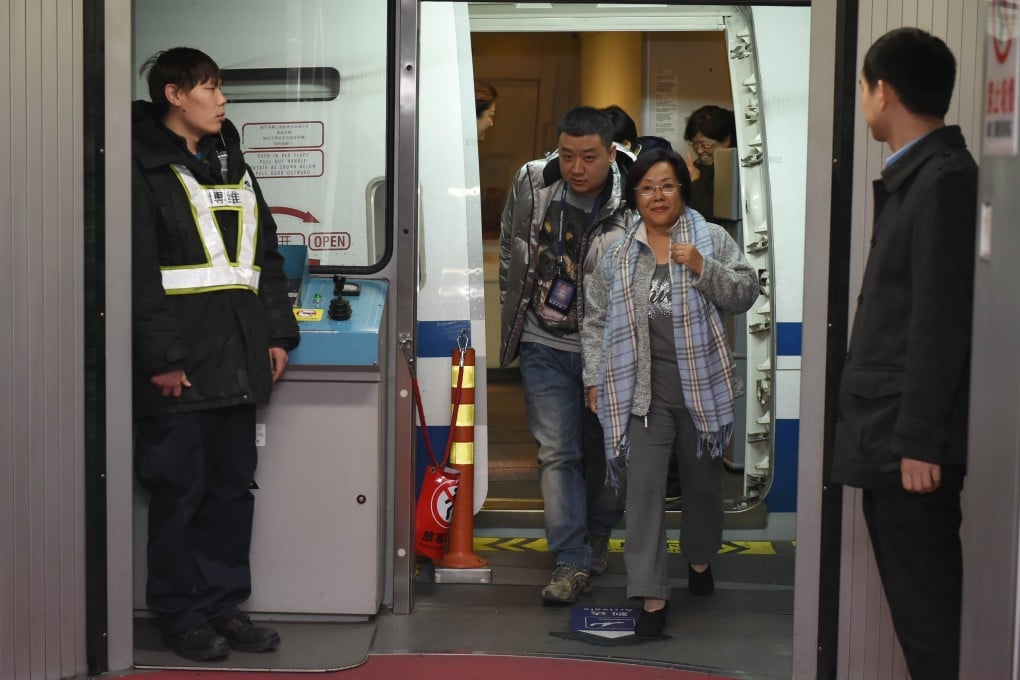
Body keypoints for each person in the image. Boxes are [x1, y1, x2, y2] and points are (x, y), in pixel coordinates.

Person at [132, 47, 300, 662]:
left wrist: (278, 336)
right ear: (175, 95)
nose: (222, 98)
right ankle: (179, 615)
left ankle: (224, 607)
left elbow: (267, 258)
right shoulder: (140, 166)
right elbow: (134, 277)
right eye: (211, 87)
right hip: (177, 366)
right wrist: (161, 358)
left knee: (230, 493)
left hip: (237, 358)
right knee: (179, 492)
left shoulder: (234, 164)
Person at [831, 28, 976, 680]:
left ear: (881, 92)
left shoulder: (942, 181)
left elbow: (940, 321)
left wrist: (919, 438)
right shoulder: (917, 176)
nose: (864, 100)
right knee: (917, 605)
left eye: (864, 88)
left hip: (907, 442)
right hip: (890, 432)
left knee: (926, 614)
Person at [581, 148, 758, 638]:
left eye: (667, 186)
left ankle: (699, 559)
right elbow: (594, 320)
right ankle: (651, 595)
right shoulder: (618, 252)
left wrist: (704, 266)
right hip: (640, 394)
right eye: (647, 188)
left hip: (701, 389)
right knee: (642, 493)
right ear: (634, 196)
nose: (657, 196)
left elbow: (745, 294)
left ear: (682, 188)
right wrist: (594, 379)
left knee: (703, 489)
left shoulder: (711, 239)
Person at [499, 106, 628, 604]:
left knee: (605, 453)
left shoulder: (632, 197)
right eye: (568, 155)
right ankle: (570, 560)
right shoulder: (534, 182)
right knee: (558, 453)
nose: (577, 167)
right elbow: (514, 245)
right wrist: (519, 314)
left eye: (589, 157)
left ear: (611, 153)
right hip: (544, 342)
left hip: (608, 350)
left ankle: (597, 533)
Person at [682, 105, 738, 230]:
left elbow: (714, 220)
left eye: (706, 145)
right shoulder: (696, 167)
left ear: (727, 139)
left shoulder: (736, 169)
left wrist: (695, 182)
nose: (700, 151)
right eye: (694, 144)